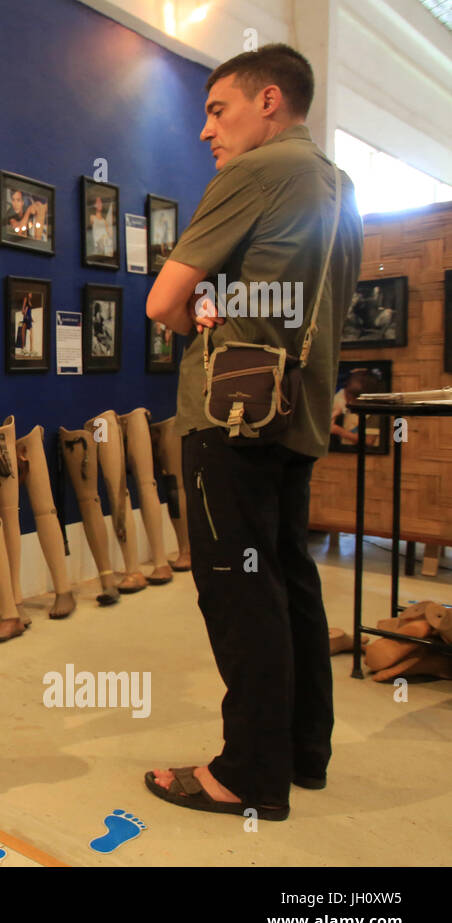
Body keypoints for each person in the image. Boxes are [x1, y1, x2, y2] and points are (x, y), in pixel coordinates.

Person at [145, 44, 363, 821]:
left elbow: (163, 304)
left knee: (239, 593)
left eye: (217, 109)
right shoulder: (339, 186)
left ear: (269, 100)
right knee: (288, 582)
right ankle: (303, 753)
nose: (207, 131)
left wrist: (198, 314)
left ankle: (246, 775)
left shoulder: (255, 173)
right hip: (294, 419)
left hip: (230, 416)